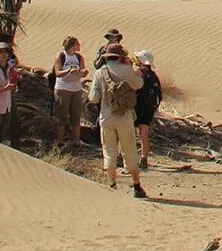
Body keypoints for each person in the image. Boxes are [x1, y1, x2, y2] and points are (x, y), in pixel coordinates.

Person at [87, 43, 147, 197]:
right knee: (130, 151)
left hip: (106, 117)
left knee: (109, 152)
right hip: (124, 117)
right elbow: (139, 85)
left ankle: (112, 186)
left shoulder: (100, 73)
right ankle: (137, 186)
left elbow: (93, 98)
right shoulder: (127, 71)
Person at [50, 36, 89, 147]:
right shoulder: (61, 56)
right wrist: (69, 70)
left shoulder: (79, 57)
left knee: (76, 116)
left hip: (76, 89)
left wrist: (83, 72)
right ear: (72, 45)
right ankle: (59, 141)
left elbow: (82, 71)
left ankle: (76, 140)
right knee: (62, 116)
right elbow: (57, 73)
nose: (79, 46)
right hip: (63, 89)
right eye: (77, 44)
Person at [135, 50, 163, 169]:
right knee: (144, 134)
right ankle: (144, 158)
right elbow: (159, 94)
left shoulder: (138, 73)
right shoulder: (153, 75)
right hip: (149, 109)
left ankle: (123, 157)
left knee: (129, 133)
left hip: (136, 107)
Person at [0, 42, 20, 144]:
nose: (4, 54)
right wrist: (5, 88)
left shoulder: (10, 69)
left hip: (7, 106)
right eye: (0, 52)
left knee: (3, 133)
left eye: (6, 52)